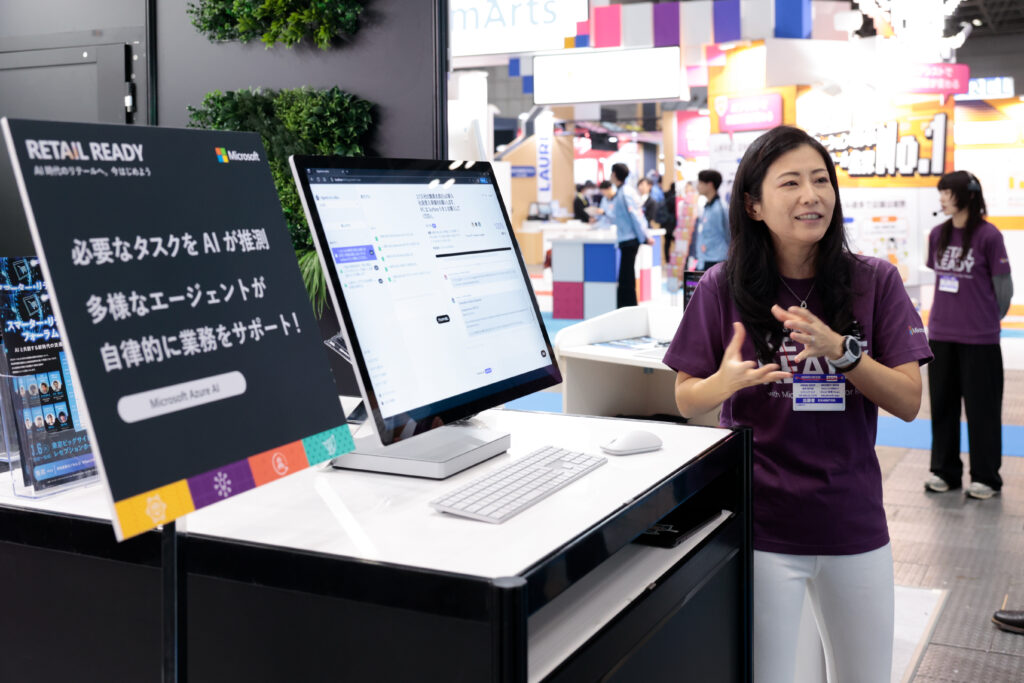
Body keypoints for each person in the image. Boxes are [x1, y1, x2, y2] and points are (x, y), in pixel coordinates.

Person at [662, 125, 932, 681]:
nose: (812, 195)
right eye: (791, 182)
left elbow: (908, 400)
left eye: (821, 180)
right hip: (762, 526)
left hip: (851, 521)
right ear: (755, 205)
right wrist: (725, 382)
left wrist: (844, 353)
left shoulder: (873, 282)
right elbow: (687, 398)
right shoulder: (723, 286)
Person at [923, 171, 1013, 500]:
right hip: (941, 337)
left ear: (967, 195)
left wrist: (984, 319)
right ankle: (944, 472)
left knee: (982, 410)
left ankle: (986, 477)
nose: (942, 198)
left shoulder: (989, 236)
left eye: (947, 192)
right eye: (941, 192)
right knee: (943, 407)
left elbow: (1004, 291)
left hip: (980, 341)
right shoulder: (937, 234)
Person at [609, 163, 653, 308]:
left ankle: (628, 307)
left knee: (626, 277)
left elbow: (636, 216)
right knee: (624, 277)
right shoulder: (621, 191)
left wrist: (645, 236)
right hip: (625, 239)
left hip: (630, 240)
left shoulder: (626, 192)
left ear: (614, 174)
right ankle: (625, 307)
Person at [695, 169, 729, 270]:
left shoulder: (720, 208)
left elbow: (728, 234)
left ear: (709, 185)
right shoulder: (707, 207)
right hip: (704, 259)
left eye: (700, 183)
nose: (698, 186)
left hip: (717, 260)